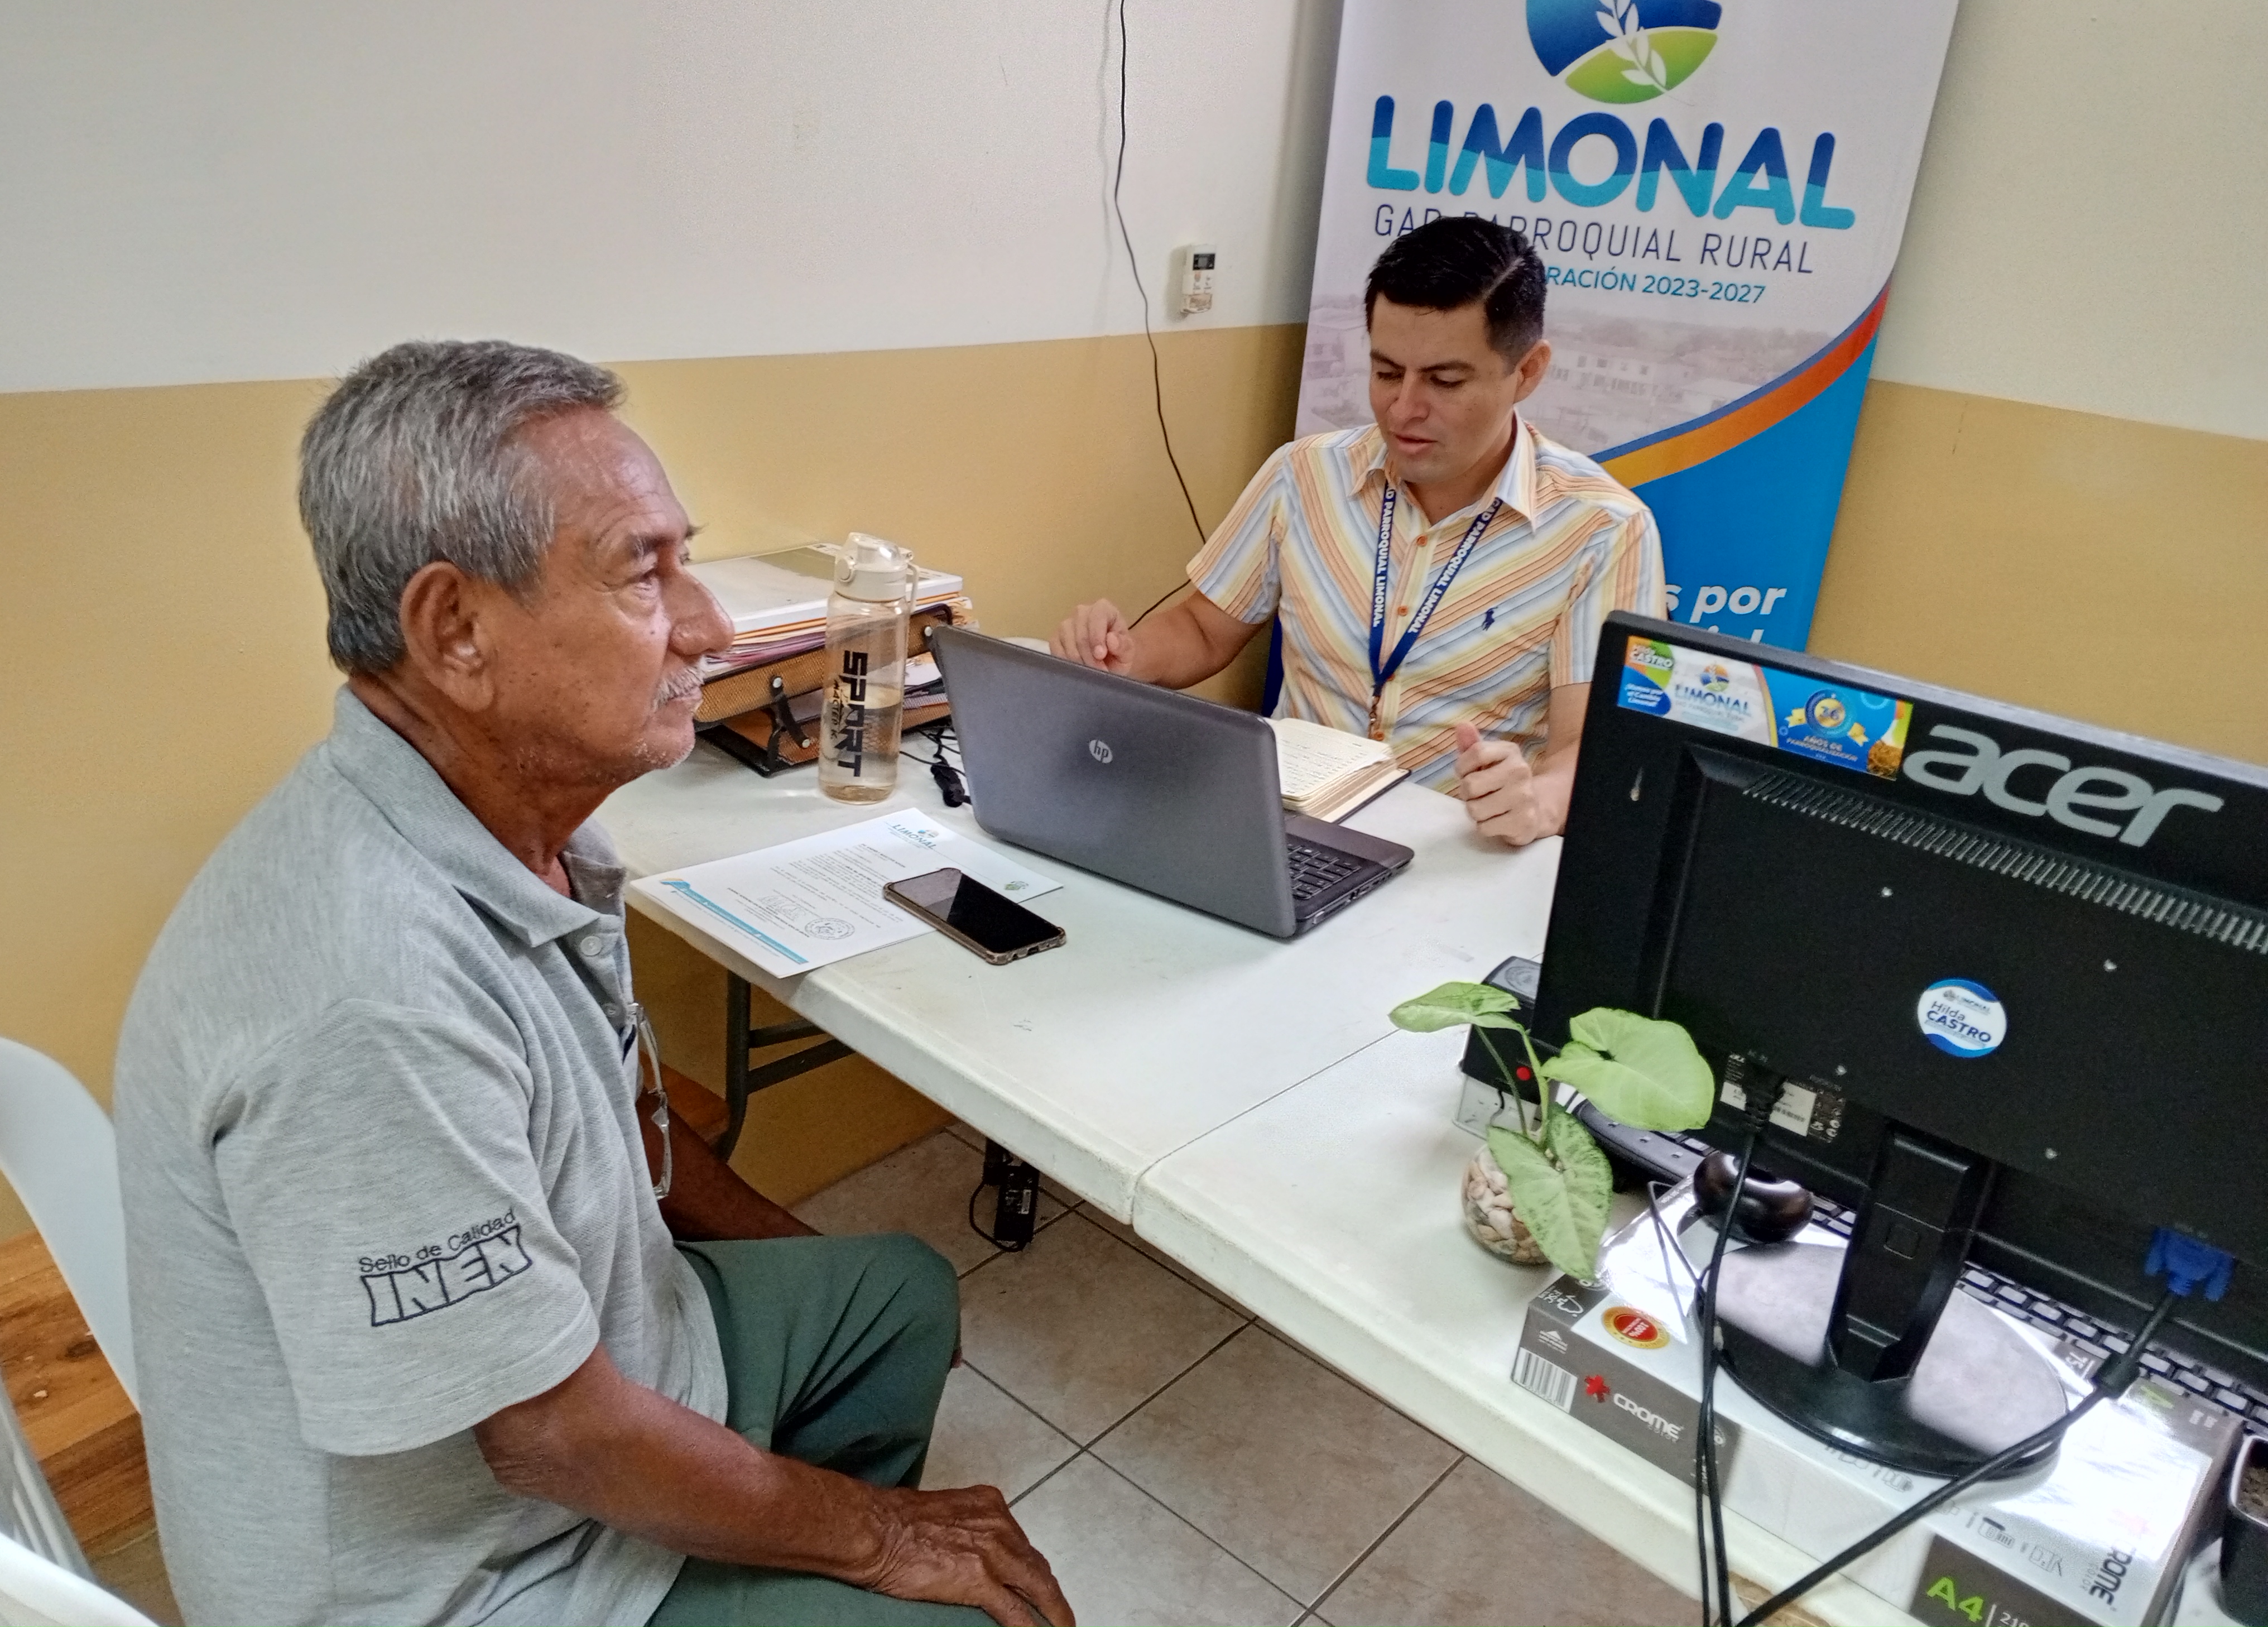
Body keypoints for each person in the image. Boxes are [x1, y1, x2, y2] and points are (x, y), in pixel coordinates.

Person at [113, 342, 1073, 1627]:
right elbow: (553, 1439)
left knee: (894, 1294)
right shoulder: (367, 994)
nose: (708, 627)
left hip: (609, 1366)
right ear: (455, 630)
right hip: (470, 1574)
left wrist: (808, 1286)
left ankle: (760, 1549)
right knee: (952, 1612)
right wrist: (876, 1539)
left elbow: (623, 1114)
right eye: (642, 571)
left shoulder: (526, 821)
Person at [1053, 218, 1664, 846]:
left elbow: (1587, 748)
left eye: (1444, 381)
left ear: (1528, 371)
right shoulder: (1305, 474)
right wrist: (1128, 656)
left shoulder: (1602, 529)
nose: (1404, 408)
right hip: (1286, 832)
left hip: (1457, 853)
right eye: (1386, 373)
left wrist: (1536, 803)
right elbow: (1204, 629)